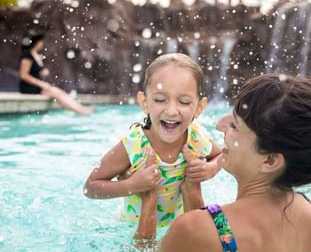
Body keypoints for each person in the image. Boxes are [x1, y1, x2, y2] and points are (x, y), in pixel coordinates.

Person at [137, 73, 311, 252]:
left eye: (235, 125)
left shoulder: (194, 229)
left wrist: (149, 200)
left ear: (270, 160)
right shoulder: (309, 217)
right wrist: (193, 193)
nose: (220, 125)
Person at [83, 53, 221, 242]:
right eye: (160, 100)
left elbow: (220, 156)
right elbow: (90, 187)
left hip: (178, 225)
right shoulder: (134, 144)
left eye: (184, 102)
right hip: (131, 228)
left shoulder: (196, 137)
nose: (172, 110)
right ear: (144, 102)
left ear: (199, 107)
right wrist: (132, 185)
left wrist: (209, 169)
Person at [19, 32, 94, 115]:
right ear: (36, 42)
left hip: (38, 86)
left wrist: (43, 72)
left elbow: (35, 71)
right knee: (57, 94)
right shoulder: (27, 56)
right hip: (29, 87)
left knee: (60, 92)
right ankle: (80, 111)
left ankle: (80, 108)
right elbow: (24, 75)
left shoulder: (36, 55)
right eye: (41, 41)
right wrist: (41, 84)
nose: (42, 44)